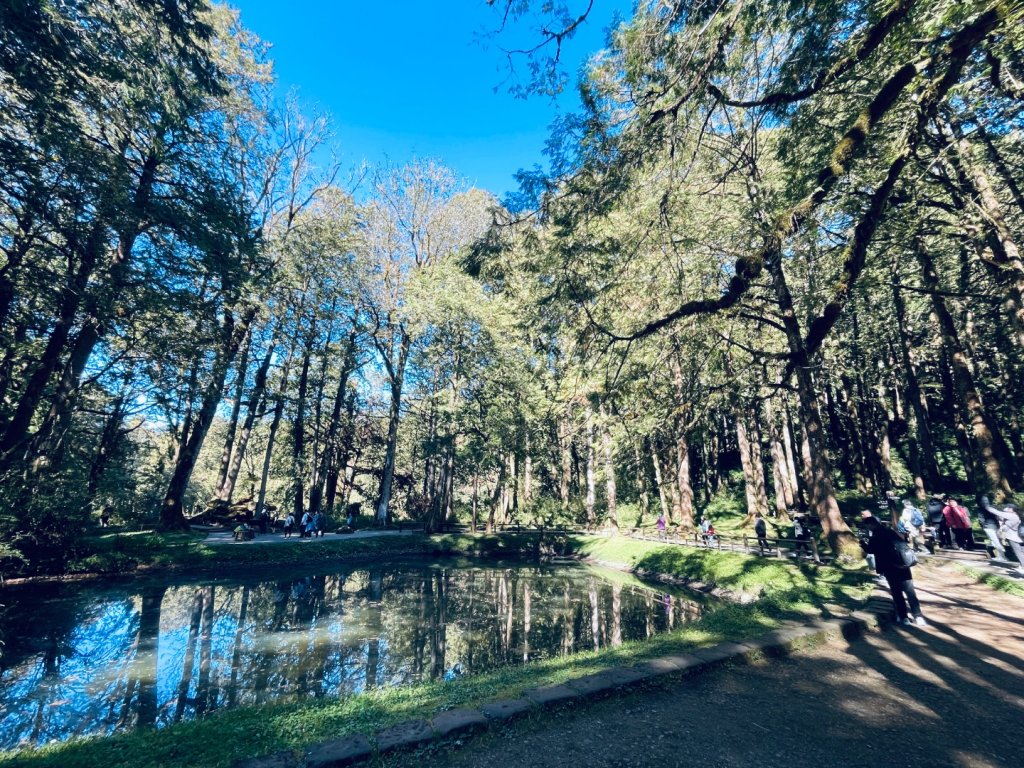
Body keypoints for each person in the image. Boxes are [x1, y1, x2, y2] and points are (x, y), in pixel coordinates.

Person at [859, 512, 927, 626]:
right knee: (910, 592)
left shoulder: (875, 537)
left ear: (870, 525)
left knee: (897, 592)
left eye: (867, 525)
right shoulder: (891, 532)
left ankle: (903, 617)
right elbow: (903, 544)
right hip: (903, 565)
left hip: (889, 567)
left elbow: (871, 550)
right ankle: (918, 616)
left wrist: (862, 544)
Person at [983, 500, 1024, 575]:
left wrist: (988, 508)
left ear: (1011, 509)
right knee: (1022, 551)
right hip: (1020, 537)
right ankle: (1021, 566)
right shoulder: (1017, 515)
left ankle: (1023, 567)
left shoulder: (1012, 516)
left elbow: (1001, 516)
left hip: (1014, 537)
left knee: (1018, 552)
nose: (1006, 509)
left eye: (1007, 508)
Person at [977, 495, 1007, 560]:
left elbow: (998, 516)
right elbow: (981, 519)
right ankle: (1001, 557)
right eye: (984, 500)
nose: (986, 501)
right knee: (995, 541)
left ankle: (1001, 557)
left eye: (986, 500)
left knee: (998, 541)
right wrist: (984, 526)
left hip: (996, 526)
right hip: (988, 527)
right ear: (981, 502)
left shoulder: (992, 507)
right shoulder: (980, 509)